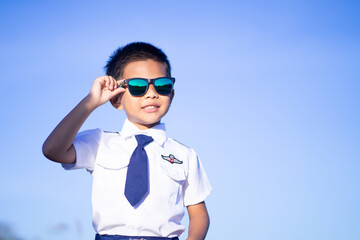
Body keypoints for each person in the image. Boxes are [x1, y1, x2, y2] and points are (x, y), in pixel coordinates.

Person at [42, 42, 212, 240]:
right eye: (138, 86)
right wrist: (91, 101)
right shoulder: (100, 143)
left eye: (162, 85)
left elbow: (199, 213)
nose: (151, 93)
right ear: (116, 99)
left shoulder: (185, 155)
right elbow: (52, 150)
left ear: (171, 94)